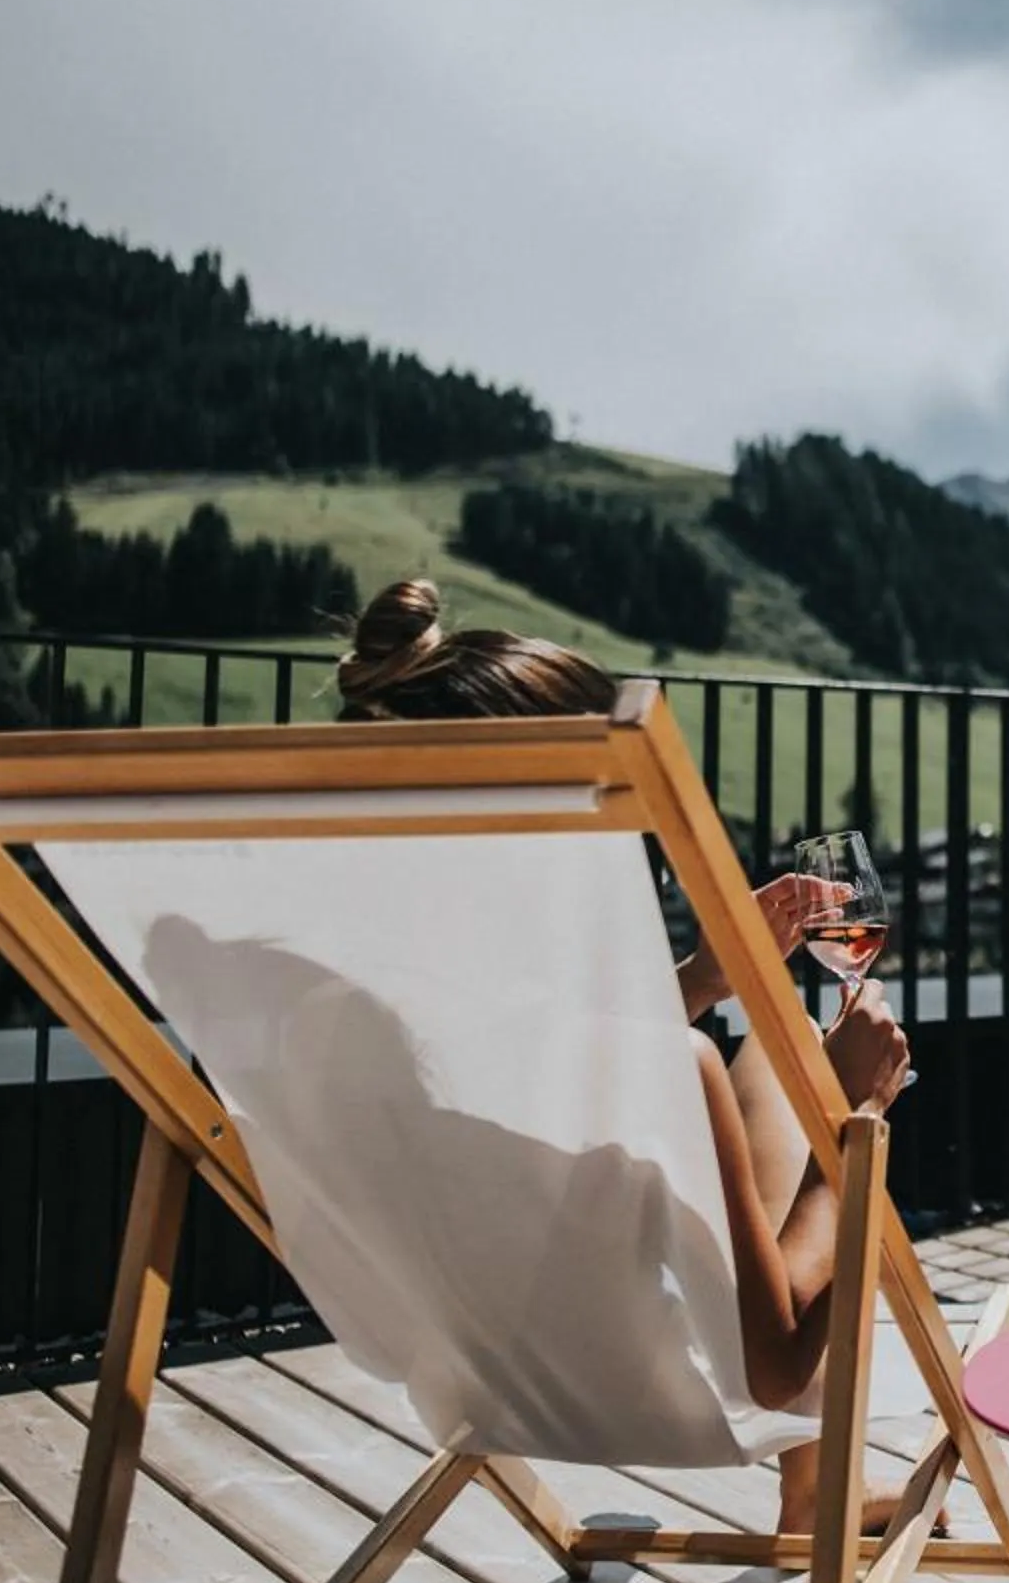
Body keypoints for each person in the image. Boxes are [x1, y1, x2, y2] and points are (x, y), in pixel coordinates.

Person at [336, 577, 912, 1532]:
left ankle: (818, 1485)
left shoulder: (362, 1020)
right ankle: (813, 1485)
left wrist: (700, 976)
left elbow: (546, 1054)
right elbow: (774, 1372)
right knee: (797, 1054)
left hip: (474, 1365)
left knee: (776, 1044)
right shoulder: (661, 1066)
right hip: (652, 1376)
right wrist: (857, 1122)